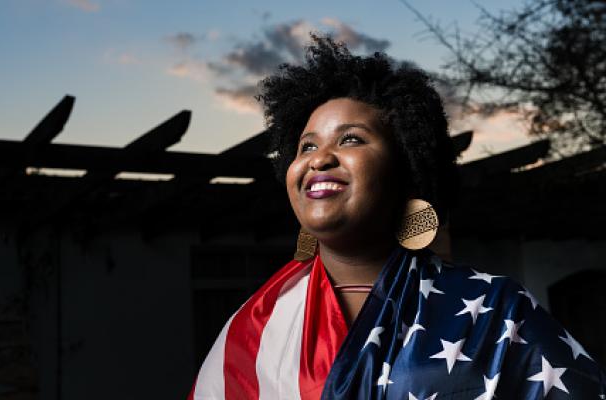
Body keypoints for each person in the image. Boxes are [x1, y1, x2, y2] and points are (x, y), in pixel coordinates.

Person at [188, 34, 606, 400]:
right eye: (306, 147)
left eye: (351, 139)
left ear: (405, 172)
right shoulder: (254, 326)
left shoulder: (495, 309)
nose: (320, 159)